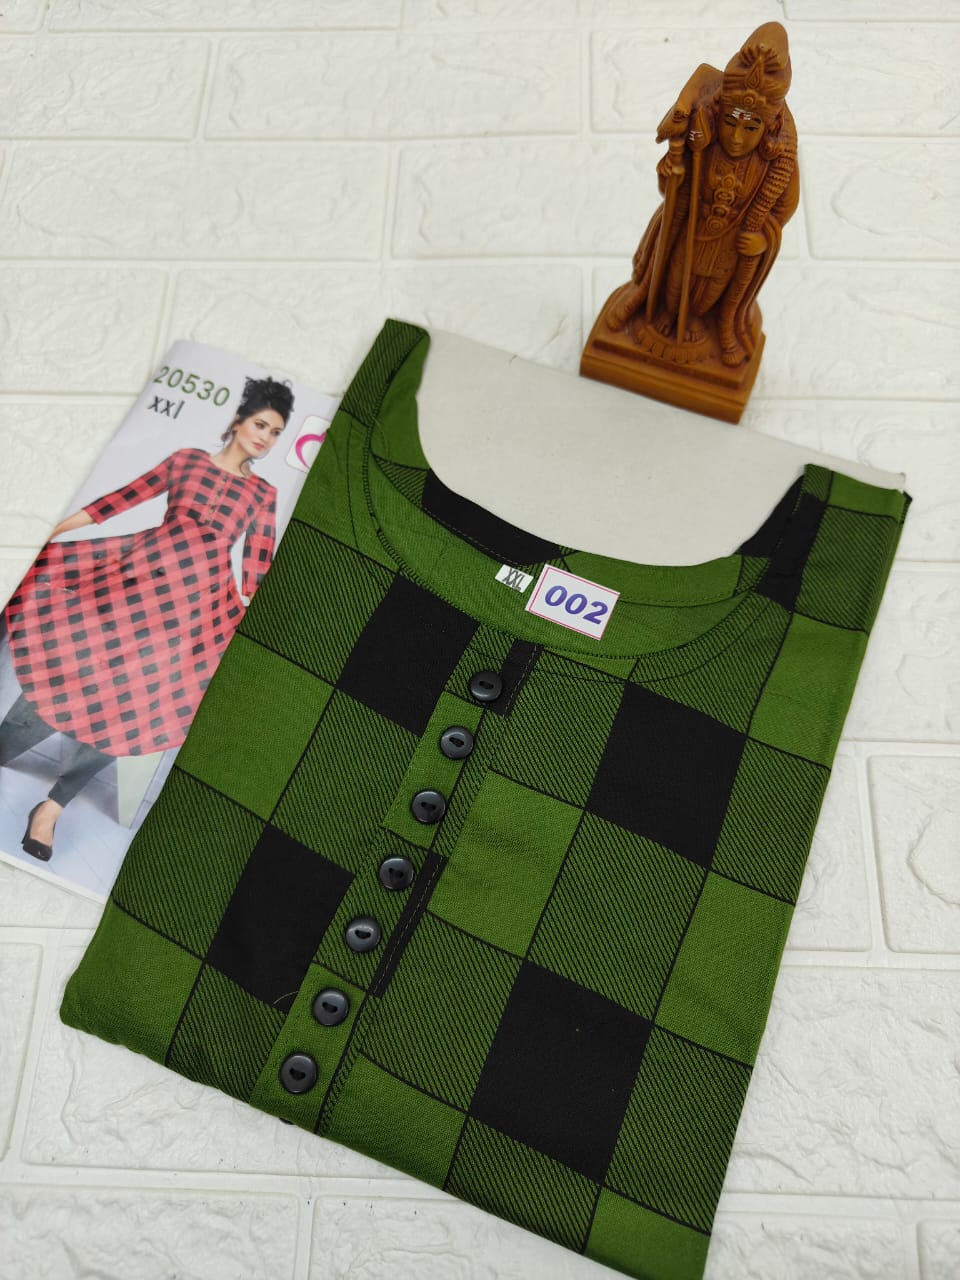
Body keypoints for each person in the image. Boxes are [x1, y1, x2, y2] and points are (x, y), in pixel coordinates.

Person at [0, 375, 294, 862]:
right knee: (73, 661)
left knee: (137, 707)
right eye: (261, 424)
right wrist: (47, 531)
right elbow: (117, 502)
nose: (266, 437)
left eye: (276, 432)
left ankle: (52, 807)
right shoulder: (186, 460)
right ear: (239, 419)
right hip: (132, 579)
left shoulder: (262, 494)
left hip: (193, 610)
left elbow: (257, 569)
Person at [607, 22, 799, 367]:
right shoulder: (704, 137)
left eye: (750, 127)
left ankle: (715, 323)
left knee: (710, 289)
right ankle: (655, 306)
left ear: (768, 128)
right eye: (730, 122)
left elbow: (783, 209)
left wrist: (763, 238)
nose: (737, 137)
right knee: (676, 278)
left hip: (731, 242)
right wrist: (672, 173)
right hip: (691, 229)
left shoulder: (776, 159)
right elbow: (671, 190)